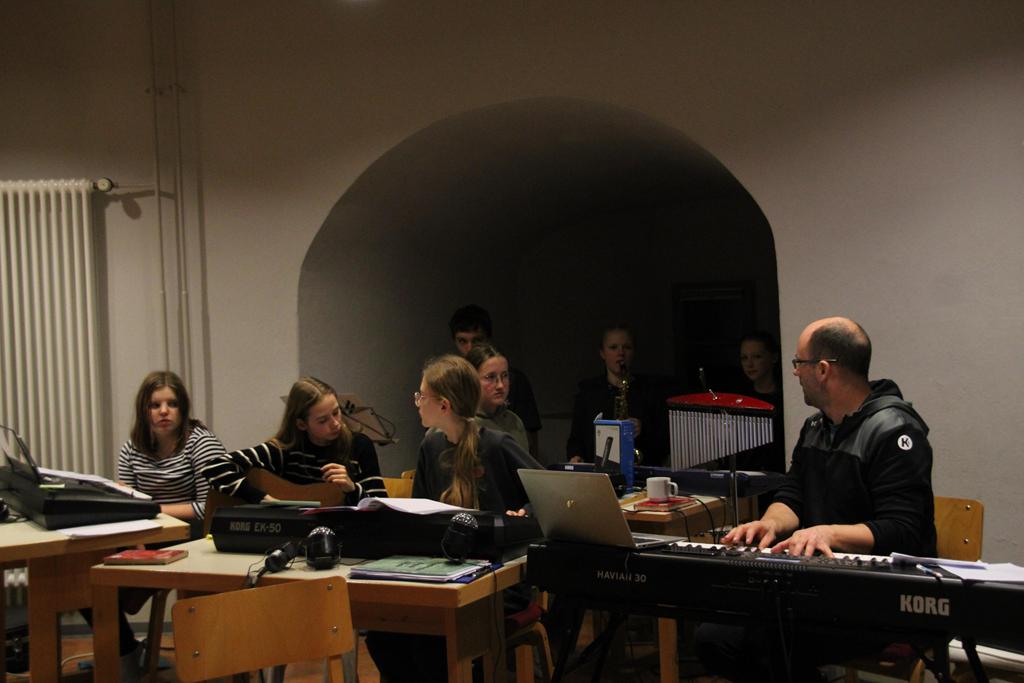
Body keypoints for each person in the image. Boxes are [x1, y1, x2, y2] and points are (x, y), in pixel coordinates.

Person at [696, 317, 936, 681]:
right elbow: (793, 493)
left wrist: (827, 533)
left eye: (799, 363)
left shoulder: (895, 430)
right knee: (716, 635)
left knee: (756, 641)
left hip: (882, 595)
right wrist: (770, 523)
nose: (795, 372)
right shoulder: (816, 427)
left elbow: (903, 530)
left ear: (823, 370)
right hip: (826, 585)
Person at [365, 355, 543, 683]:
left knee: (429, 643)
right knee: (382, 636)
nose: (417, 403)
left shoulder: (496, 444)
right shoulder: (430, 445)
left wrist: (525, 512)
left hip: (497, 584)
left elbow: (548, 494)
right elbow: (419, 514)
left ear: (444, 405)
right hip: (445, 573)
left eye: (421, 396)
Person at [88, 370, 227, 681]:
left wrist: (154, 511)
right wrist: (136, 533)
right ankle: (126, 653)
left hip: (195, 535)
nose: (164, 411)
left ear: (183, 408)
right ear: (144, 410)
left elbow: (209, 507)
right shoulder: (133, 447)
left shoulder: (201, 442)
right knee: (85, 577)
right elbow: (128, 502)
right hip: (149, 532)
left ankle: (141, 590)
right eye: (155, 405)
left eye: (172, 404)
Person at [202, 376, 386, 505]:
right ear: (301, 424)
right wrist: (262, 498)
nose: (335, 423)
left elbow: (380, 506)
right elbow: (214, 467)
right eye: (322, 420)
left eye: (336, 412)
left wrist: (351, 488)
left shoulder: (359, 445)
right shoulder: (284, 450)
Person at [565, 324, 669, 466]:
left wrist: (643, 430)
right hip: (597, 471)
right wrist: (576, 456)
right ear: (602, 353)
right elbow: (576, 440)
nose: (621, 353)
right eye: (613, 347)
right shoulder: (588, 393)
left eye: (627, 347)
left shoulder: (650, 392)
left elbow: (664, 444)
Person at [448, 304, 542, 457]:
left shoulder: (513, 414)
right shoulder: (448, 384)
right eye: (462, 341)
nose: (470, 348)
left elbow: (529, 440)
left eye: (477, 340)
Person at [736, 331, 786, 511]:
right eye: (744, 358)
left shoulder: (785, 398)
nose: (749, 364)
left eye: (757, 357)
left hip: (779, 480)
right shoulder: (739, 400)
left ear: (774, 358)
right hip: (747, 482)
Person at [465, 342, 530, 451]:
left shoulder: (513, 421)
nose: (500, 385)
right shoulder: (458, 424)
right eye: (490, 377)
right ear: (471, 380)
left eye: (505, 376)